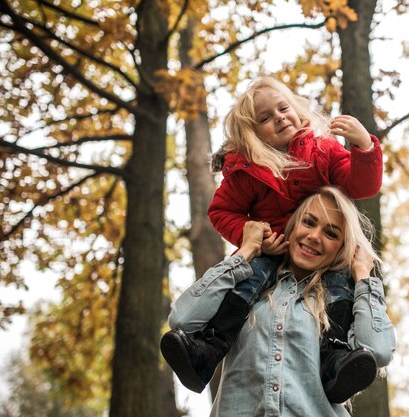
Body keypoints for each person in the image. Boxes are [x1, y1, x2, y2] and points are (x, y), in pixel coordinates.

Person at [161, 76, 383, 403]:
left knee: (338, 290)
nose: (279, 117)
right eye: (265, 118)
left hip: (322, 253)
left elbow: (360, 185)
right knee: (245, 288)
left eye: (283, 108)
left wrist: (364, 147)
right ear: (252, 134)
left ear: (297, 109)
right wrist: (256, 235)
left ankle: (335, 359)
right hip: (274, 248)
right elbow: (222, 211)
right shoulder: (246, 170)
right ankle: (206, 351)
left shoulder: (322, 151)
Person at [166, 187, 396, 416]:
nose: (314, 236)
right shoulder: (247, 288)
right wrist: (246, 251)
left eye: (331, 233)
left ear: (341, 248)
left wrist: (363, 274)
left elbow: (378, 351)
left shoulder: (341, 304)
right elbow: (182, 319)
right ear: (292, 225)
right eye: (308, 222)